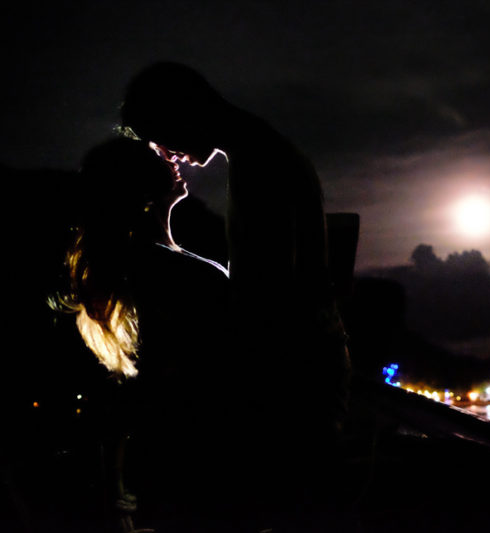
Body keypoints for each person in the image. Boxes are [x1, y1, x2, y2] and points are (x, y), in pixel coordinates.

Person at [120, 62, 352, 530]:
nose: (168, 154)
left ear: (182, 110)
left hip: (294, 382)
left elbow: (265, 296)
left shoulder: (259, 164)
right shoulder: (261, 153)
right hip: (304, 370)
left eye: (159, 135)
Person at [55, 137, 233, 531]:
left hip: (171, 460)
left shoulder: (141, 264)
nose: (171, 155)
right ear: (137, 185)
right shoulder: (173, 272)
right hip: (202, 459)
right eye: (156, 156)